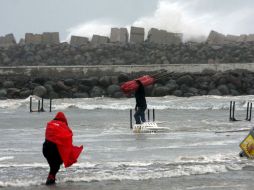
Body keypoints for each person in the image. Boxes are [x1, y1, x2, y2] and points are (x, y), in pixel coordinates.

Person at [42, 112, 83, 185]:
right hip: (55, 150)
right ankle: (50, 180)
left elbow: (49, 136)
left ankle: (51, 179)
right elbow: (68, 135)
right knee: (55, 166)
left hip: (46, 149)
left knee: (53, 166)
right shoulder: (63, 126)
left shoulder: (50, 124)